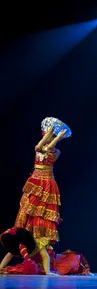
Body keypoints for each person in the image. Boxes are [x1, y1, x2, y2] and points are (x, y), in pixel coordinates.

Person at [1, 117, 71, 276]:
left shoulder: (57, 151)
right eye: (47, 134)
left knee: (42, 213)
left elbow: (49, 149)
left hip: (47, 183)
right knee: (28, 211)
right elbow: (40, 147)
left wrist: (58, 136)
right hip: (36, 181)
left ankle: (45, 264)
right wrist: (50, 134)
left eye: (50, 135)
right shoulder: (38, 147)